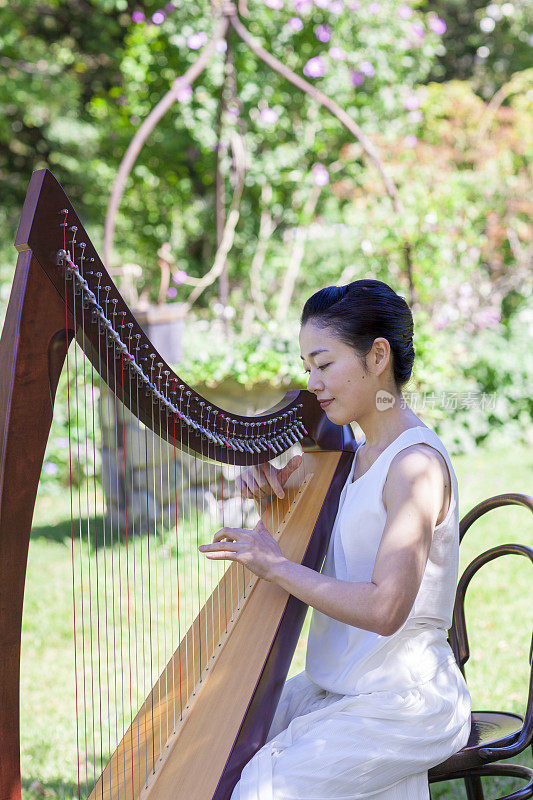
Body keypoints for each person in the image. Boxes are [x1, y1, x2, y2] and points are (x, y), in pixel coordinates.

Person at [199, 279, 472, 800]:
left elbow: (385, 608)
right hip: (337, 684)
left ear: (377, 357)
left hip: (403, 698)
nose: (314, 382)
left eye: (324, 364)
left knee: (263, 789)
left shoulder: (414, 467)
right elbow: (309, 532)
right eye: (308, 367)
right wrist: (264, 483)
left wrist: (276, 566)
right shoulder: (345, 460)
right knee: (222, 752)